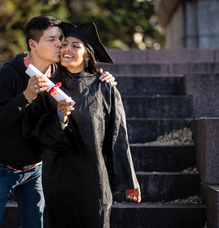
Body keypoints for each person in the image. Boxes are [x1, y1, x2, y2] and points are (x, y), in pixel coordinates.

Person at [0, 15, 116, 228]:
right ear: (33, 45)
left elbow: (84, 79)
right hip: (0, 167)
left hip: (35, 169)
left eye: (59, 38)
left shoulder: (58, 75)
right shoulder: (8, 74)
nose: (60, 44)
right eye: (52, 39)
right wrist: (25, 96)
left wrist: (101, 76)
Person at [23, 21, 141, 228]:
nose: (67, 48)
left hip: (94, 177)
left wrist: (129, 181)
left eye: (75, 45)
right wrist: (59, 118)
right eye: (65, 44)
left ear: (87, 55)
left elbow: (118, 136)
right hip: (59, 177)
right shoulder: (47, 87)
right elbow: (33, 131)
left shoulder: (105, 89)